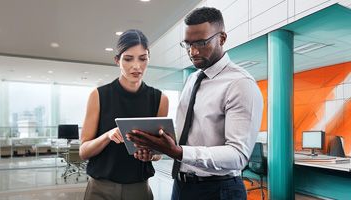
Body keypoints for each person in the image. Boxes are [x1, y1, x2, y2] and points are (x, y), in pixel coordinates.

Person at [127, 7, 263, 200]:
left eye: (201, 43)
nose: (193, 51)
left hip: (219, 190)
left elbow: (238, 156)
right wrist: (156, 148)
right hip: (182, 186)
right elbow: (189, 138)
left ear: (222, 38)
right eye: (188, 44)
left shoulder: (240, 84)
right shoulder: (192, 79)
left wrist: (178, 152)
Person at [79, 29, 169, 200]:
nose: (136, 66)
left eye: (143, 58)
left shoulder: (160, 99)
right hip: (100, 189)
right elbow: (84, 151)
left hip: (139, 189)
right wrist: (107, 136)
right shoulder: (99, 95)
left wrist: (152, 154)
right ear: (117, 61)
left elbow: (159, 152)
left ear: (148, 58)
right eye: (128, 59)